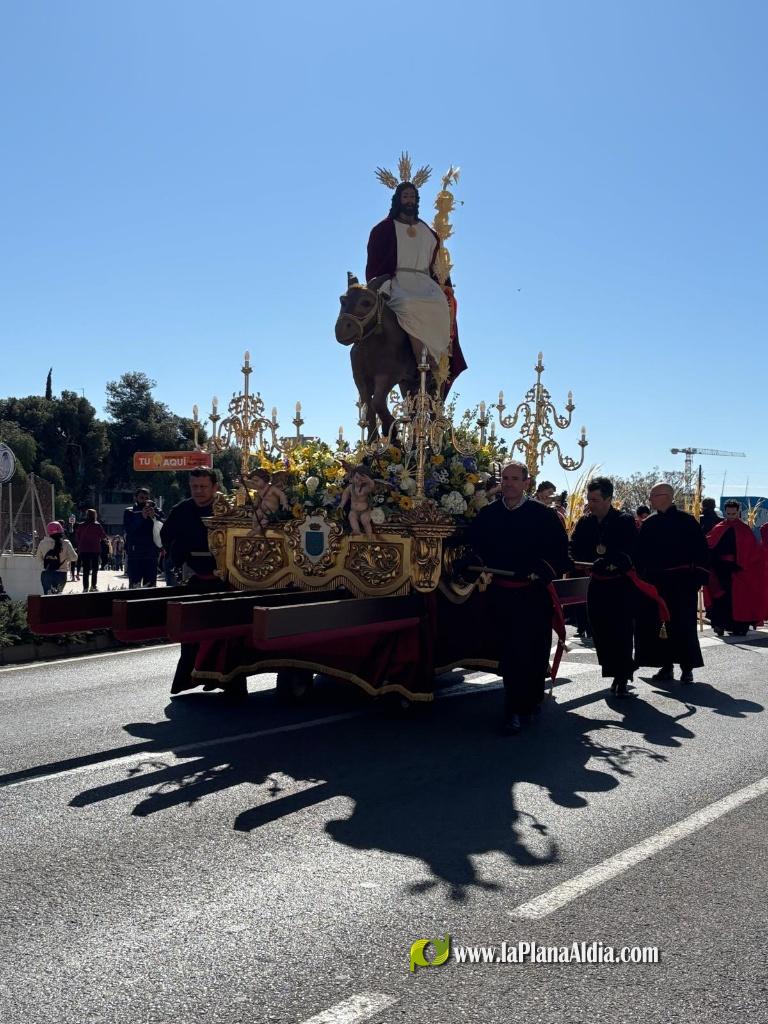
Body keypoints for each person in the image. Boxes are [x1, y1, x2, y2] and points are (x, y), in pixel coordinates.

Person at [469, 460, 569, 734]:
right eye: (505, 478)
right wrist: (472, 561)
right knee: (511, 654)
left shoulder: (544, 516)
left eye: (515, 478)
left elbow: (561, 556)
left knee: (533, 652)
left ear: (527, 483)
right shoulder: (489, 514)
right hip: (501, 594)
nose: (509, 483)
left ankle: (530, 700)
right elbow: (477, 546)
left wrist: (541, 570)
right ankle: (514, 708)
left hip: (532, 596)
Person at [366, 181, 467, 383]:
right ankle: (422, 357)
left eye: (412, 197)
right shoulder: (384, 229)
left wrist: (445, 285)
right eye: (406, 197)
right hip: (398, 281)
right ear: (398, 200)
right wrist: (382, 283)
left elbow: (439, 265)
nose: (409, 200)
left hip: (424, 281)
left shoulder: (428, 233)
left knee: (440, 304)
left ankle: (438, 363)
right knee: (408, 304)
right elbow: (376, 262)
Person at [160, 468, 233, 695]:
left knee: (225, 635)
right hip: (196, 578)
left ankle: (223, 681)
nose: (198, 491)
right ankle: (188, 678)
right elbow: (166, 537)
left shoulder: (229, 510)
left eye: (203, 486)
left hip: (227, 582)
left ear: (215, 487)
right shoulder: (181, 510)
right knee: (190, 631)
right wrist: (178, 554)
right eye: (194, 487)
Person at [570, 477, 639, 697]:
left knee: (621, 631)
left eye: (595, 499)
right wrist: (575, 560)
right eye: (589, 499)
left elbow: (631, 551)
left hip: (620, 586)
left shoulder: (624, 521)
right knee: (600, 631)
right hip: (596, 585)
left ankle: (622, 676)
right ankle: (615, 669)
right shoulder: (585, 522)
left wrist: (612, 562)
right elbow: (574, 547)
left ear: (609, 499)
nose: (591, 503)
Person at [634, 483, 709, 684]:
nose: (650, 499)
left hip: (683, 585)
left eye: (653, 495)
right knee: (660, 625)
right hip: (657, 584)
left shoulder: (687, 522)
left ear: (666, 496)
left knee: (684, 627)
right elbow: (640, 555)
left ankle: (687, 668)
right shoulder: (649, 524)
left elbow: (702, 553)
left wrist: (697, 580)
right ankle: (666, 667)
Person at [704, 500, 765, 636]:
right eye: (729, 513)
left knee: (738, 599)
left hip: (738, 570)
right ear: (725, 512)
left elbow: (751, 552)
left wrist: (741, 565)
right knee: (720, 597)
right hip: (720, 569)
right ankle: (719, 624)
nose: (731, 516)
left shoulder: (744, 529)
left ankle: (738, 626)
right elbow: (710, 544)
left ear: (738, 512)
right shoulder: (719, 527)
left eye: (734, 513)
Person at [124, 488, 162, 587]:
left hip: (151, 553)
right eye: (141, 498)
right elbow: (129, 530)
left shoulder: (156, 511)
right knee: (134, 584)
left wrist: (154, 516)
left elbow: (163, 527)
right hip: (135, 553)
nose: (144, 500)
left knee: (150, 585)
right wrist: (142, 517)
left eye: (146, 498)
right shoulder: (129, 511)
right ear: (135, 498)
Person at [35, 522, 77, 594]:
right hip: (61, 574)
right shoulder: (66, 543)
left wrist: (46, 564)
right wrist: (66, 559)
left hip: (46, 573)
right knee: (57, 597)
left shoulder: (42, 543)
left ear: (48, 531)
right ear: (61, 530)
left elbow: (38, 558)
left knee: (47, 597)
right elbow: (74, 558)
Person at [75, 509, 108, 593]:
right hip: (95, 549)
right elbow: (103, 536)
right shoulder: (97, 525)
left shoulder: (81, 525)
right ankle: (93, 586)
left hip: (84, 550)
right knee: (94, 569)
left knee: (86, 569)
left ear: (87, 515)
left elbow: (77, 537)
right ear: (95, 515)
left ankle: (85, 587)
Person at [340, 465, 376, 538]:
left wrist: (369, 480)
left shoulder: (365, 488)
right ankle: (356, 530)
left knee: (365, 521)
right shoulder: (351, 487)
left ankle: (370, 537)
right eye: (356, 477)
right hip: (354, 511)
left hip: (365, 511)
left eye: (361, 479)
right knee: (351, 517)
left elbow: (372, 487)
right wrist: (342, 504)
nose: (358, 481)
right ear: (353, 477)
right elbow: (345, 494)